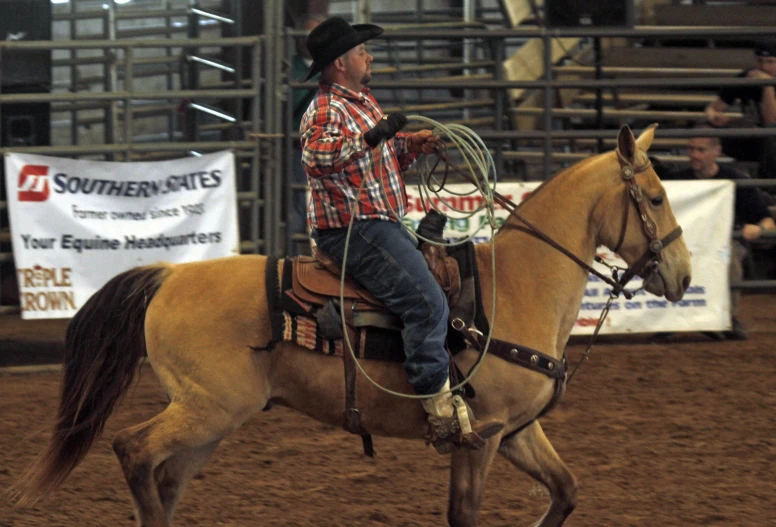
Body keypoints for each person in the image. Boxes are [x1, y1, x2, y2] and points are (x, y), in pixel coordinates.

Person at [299, 16, 502, 450]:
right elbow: (319, 159)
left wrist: (409, 144)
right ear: (340, 62)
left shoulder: (361, 101)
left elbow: (378, 155)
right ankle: (440, 411)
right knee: (426, 301)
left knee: (443, 281)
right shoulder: (325, 110)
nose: (367, 56)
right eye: (360, 51)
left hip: (380, 224)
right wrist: (375, 135)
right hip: (353, 230)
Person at [660, 128, 776, 340]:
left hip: (724, 242)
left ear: (717, 151)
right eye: (691, 149)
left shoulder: (736, 181)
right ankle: (669, 319)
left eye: (701, 150)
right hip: (684, 242)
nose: (694, 154)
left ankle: (728, 318)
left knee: (729, 256)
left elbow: (769, 222)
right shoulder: (678, 180)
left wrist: (759, 229)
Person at [705, 41, 776, 183]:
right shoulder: (746, 77)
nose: (764, 67)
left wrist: (767, 86)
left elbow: (771, 121)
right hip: (753, 140)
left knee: (770, 134)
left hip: (772, 142)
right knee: (705, 128)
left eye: (770, 62)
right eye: (760, 61)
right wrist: (715, 116)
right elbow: (713, 108)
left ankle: (770, 186)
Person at [288, 15, 323, 256]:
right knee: (299, 200)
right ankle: (297, 255)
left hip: (328, 147)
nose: (310, 42)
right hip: (300, 146)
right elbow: (289, 105)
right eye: (307, 37)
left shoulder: (333, 66)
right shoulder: (291, 68)